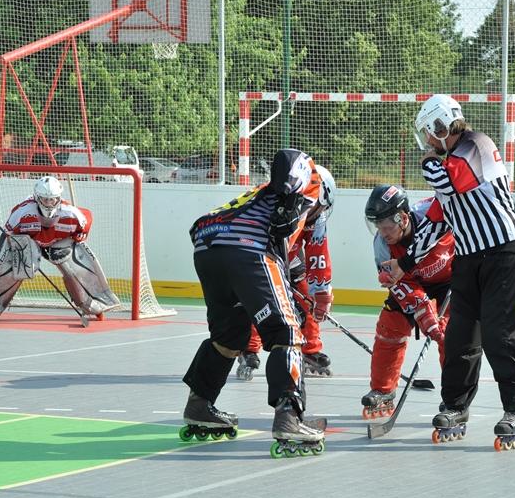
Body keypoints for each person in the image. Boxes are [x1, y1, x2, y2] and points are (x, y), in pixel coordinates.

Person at [181, 148, 330, 455]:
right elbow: (291, 158)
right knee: (286, 332)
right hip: (247, 246)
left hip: (208, 244)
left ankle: (199, 405)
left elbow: (284, 263)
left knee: (228, 336)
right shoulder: (309, 187)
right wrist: (290, 196)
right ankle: (289, 417)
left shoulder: (258, 199)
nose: (312, 220)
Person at [409, 94, 515, 447]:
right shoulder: (449, 163)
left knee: (501, 334)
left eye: (429, 132)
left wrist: (428, 163)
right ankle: (455, 406)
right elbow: (436, 220)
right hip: (467, 259)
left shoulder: (476, 145)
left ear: (440, 126)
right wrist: (405, 263)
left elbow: (449, 183)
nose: (427, 141)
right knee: (460, 336)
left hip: (502, 253)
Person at [236, 165, 337, 382]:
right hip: (258, 253)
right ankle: (249, 350)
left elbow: (318, 256)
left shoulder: (316, 219)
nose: (320, 212)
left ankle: (310, 349)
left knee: (307, 297)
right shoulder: (268, 199)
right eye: (321, 206)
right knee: (260, 302)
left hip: (290, 257)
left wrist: (321, 293)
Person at [0, 175, 120, 319]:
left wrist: (79, 237)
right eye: (45, 199)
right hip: (31, 242)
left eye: (53, 199)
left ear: (59, 198)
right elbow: (7, 235)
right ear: (37, 197)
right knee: (16, 265)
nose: (49, 203)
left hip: (58, 242)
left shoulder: (72, 214)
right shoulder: (21, 212)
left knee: (73, 262)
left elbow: (86, 221)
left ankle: (93, 302)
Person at [362, 184, 453, 419]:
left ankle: (455, 397)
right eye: (378, 227)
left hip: (450, 281)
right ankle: (383, 390)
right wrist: (422, 309)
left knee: (451, 335)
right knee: (390, 325)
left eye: (387, 227)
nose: (383, 233)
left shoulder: (435, 216)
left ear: (402, 218)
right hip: (410, 283)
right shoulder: (382, 245)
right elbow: (395, 283)